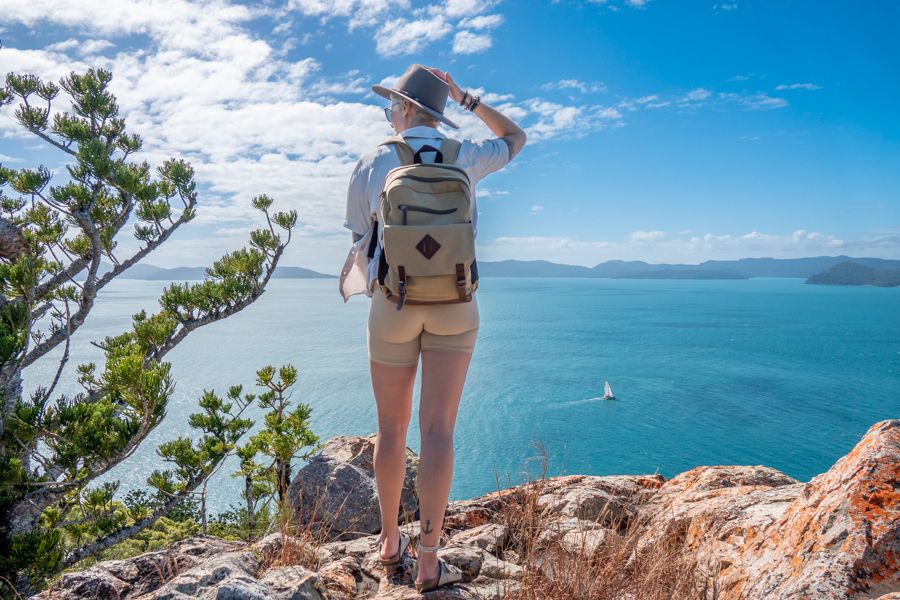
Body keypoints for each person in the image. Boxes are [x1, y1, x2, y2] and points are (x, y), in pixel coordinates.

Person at [339, 63, 526, 592]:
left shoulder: (374, 161)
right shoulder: (467, 156)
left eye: (390, 104)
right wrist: (467, 99)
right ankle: (427, 561)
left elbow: (360, 235)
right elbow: (516, 137)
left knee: (391, 429)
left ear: (402, 108)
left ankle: (388, 543)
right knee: (438, 431)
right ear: (438, 113)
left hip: (393, 306)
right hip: (454, 304)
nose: (388, 112)